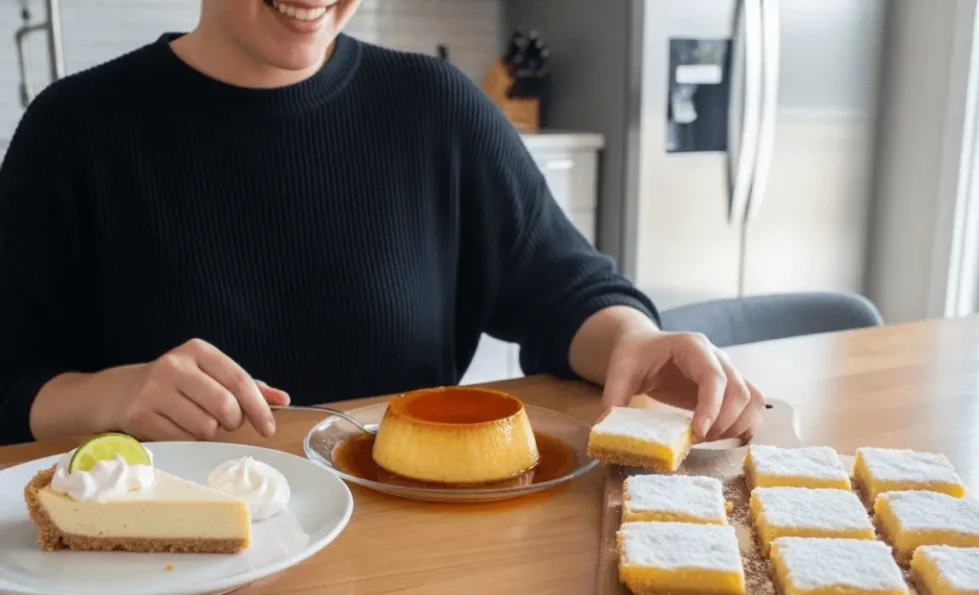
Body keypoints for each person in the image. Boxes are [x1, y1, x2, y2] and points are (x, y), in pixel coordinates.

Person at [0, 0, 766, 447]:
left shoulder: (434, 108)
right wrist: (113, 396)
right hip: (163, 588)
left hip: (409, 571)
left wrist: (634, 340)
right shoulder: (74, 132)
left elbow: (567, 290)